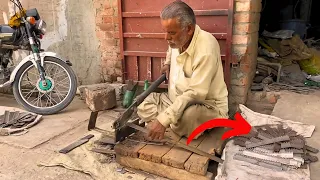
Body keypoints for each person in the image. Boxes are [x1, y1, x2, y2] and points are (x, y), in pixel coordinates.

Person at [137, 0, 229, 141]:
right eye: (165, 32)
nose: (166, 38)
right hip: (175, 100)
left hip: (205, 105)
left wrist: (163, 120)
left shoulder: (206, 48)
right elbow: (170, 47)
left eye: (172, 33)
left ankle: (174, 122)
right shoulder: (177, 40)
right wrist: (167, 63)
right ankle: (175, 122)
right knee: (143, 104)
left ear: (189, 29)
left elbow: (195, 94)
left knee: (188, 117)